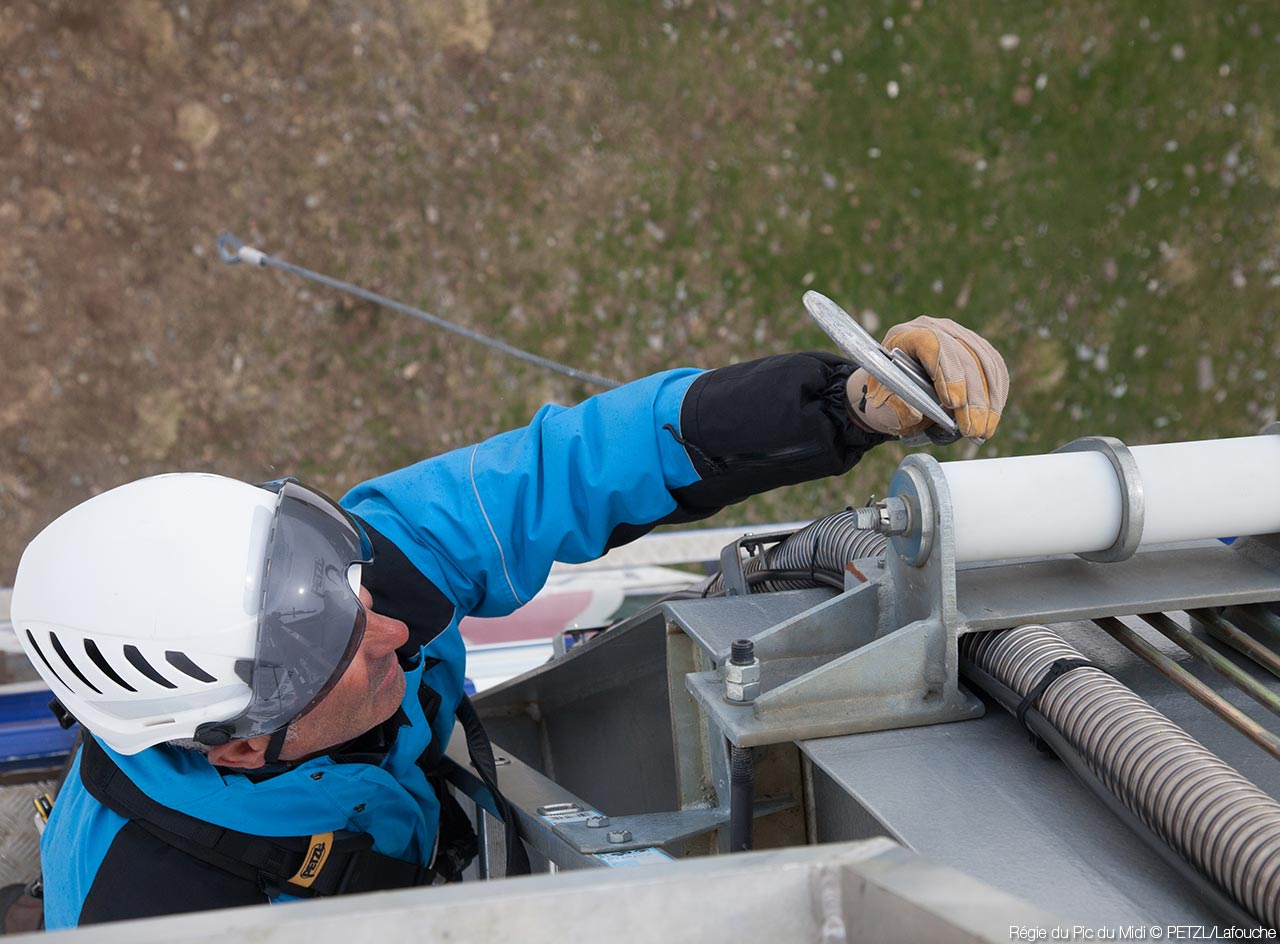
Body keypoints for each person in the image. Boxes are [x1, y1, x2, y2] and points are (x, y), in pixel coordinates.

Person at [10, 316, 1007, 927]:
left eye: (341, 589)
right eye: (331, 656)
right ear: (232, 746)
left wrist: (841, 402)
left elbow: (567, 465)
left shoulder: (348, 581)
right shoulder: (159, 914)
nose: (388, 627)